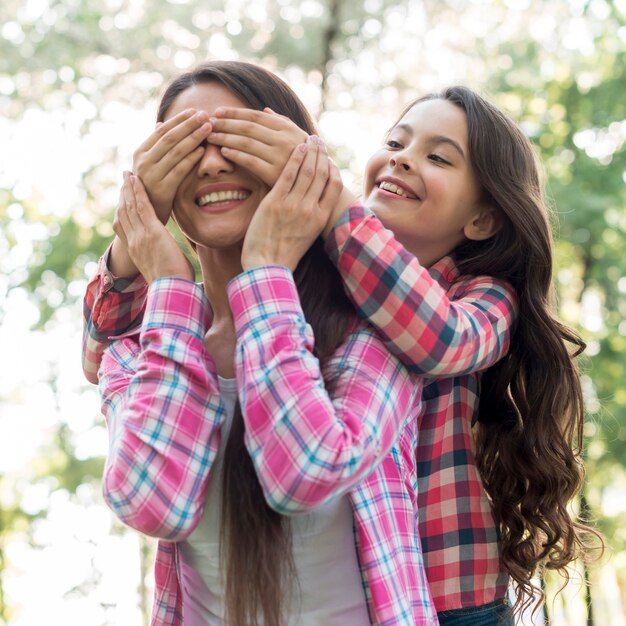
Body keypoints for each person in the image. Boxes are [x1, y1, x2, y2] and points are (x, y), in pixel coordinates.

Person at [200, 87, 602, 624]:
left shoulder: (483, 298)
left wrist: (336, 203)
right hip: (353, 589)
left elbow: (436, 339)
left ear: (481, 219)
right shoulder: (325, 276)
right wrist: (129, 259)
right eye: (395, 141)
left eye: (438, 157)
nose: (402, 158)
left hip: (454, 601)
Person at [83, 60, 437, 626]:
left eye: (239, 138)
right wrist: (172, 289)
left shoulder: (373, 333)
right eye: (187, 145)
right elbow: (155, 503)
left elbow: (304, 474)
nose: (214, 161)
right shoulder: (137, 349)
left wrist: (266, 272)